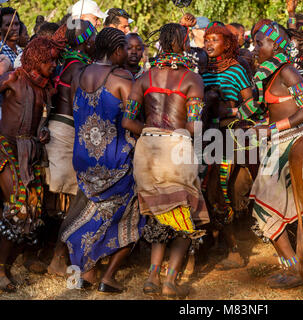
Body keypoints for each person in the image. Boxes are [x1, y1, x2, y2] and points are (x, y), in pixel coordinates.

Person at [122, 23, 209, 299]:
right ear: (184, 43)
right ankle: (170, 280)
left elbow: (127, 121)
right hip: (177, 149)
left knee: (158, 214)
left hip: (147, 151)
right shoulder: (192, 80)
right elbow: (195, 127)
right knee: (185, 215)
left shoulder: (144, 78)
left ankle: (151, 276)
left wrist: (151, 133)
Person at [60, 27, 146, 294]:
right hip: (115, 160)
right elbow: (132, 120)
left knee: (92, 213)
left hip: (84, 158)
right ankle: (106, 276)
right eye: (124, 48)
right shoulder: (123, 79)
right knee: (134, 217)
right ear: (117, 50)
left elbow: (78, 111)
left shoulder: (80, 74)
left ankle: (83, 273)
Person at [240, 20, 303, 289]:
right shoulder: (269, 73)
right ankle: (296, 267)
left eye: (260, 43)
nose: (255, 48)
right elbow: (256, 108)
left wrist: (271, 129)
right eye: (255, 42)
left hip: (292, 141)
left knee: (262, 206)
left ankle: (295, 268)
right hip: (278, 141)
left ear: (275, 45)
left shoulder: (287, 73)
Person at [0, 36, 62, 293]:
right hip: (6, 149)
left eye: (56, 61)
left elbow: (40, 120)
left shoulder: (46, 88)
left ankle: (7, 266)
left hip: (31, 152)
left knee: (32, 210)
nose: (54, 65)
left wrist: (43, 131)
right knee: (18, 207)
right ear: (37, 59)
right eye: (50, 61)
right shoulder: (13, 78)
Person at [46, 20, 97, 277]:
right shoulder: (78, 69)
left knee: (65, 200)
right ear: (87, 41)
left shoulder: (63, 63)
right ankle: (58, 257)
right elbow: (82, 110)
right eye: (94, 38)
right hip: (67, 132)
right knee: (76, 199)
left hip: (55, 128)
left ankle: (57, 256)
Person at [201, 24, 254, 270]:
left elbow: (253, 103)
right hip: (203, 136)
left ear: (227, 43)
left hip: (228, 136)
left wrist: (230, 110)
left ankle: (234, 250)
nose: (209, 44)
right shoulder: (201, 71)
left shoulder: (236, 69)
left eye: (214, 40)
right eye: (206, 40)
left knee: (220, 190)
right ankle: (212, 243)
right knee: (206, 192)